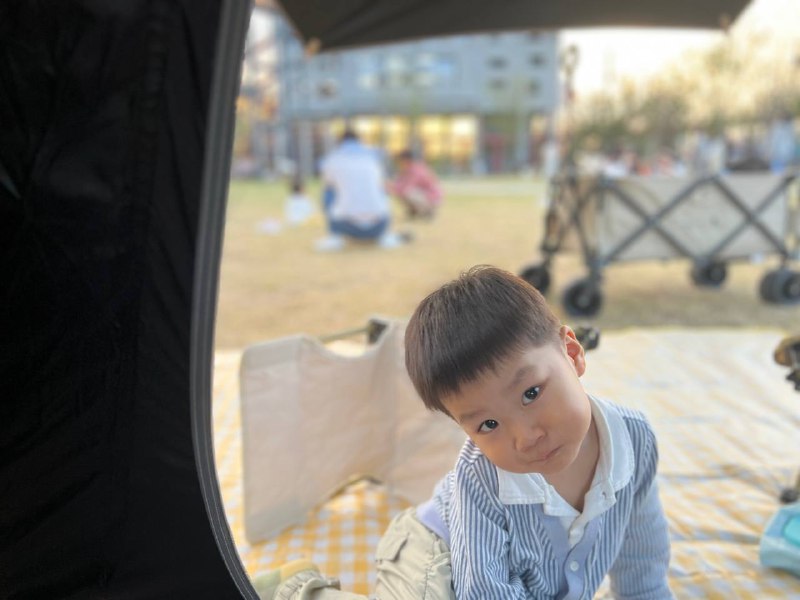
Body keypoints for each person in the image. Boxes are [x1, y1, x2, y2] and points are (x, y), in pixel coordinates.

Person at [255, 266, 673, 600]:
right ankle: (297, 591)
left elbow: (642, 554)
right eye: (488, 425)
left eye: (531, 393)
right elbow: (485, 592)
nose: (525, 437)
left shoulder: (633, 440)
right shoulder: (482, 476)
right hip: (435, 551)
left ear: (573, 353)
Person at [316, 129, 406, 251]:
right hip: (379, 225)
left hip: (344, 225)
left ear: (339, 142)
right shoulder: (374, 156)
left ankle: (335, 236)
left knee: (329, 191)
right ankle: (385, 235)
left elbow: (329, 185)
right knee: (380, 188)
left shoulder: (332, 159)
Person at [386, 149, 443, 219]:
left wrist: (391, 188)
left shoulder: (416, 169)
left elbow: (405, 187)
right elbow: (398, 183)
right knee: (402, 192)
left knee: (406, 192)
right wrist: (391, 186)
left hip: (432, 197)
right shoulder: (406, 169)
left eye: (400, 160)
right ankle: (415, 211)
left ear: (406, 160)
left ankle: (427, 210)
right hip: (424, 195)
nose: (398, 163)